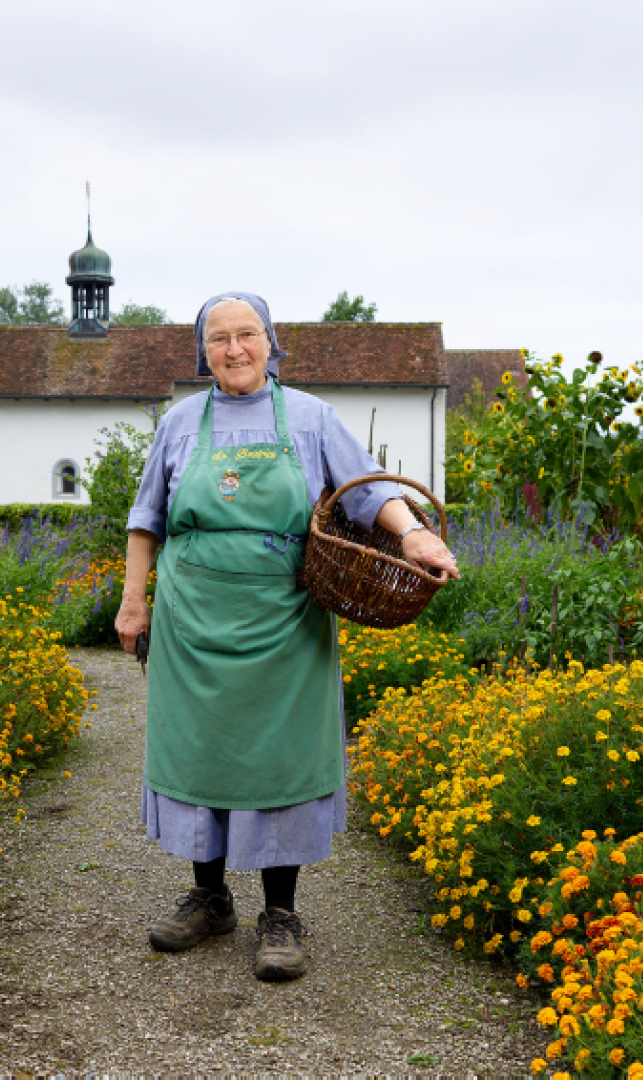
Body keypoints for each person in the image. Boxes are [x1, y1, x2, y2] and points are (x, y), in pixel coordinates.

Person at [115, 292, 459, 982]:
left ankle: (280, 913)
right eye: (219, 339)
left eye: (247, 335)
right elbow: (146, 516)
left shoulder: (309, 417)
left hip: (284, 617)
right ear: (202, 351)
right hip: (192, 615)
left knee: (278, 757)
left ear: (271, 343)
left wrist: (415, 532)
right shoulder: (180, 422)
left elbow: (365, 493)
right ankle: (209, 898)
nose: (234, 350)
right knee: (199, 751)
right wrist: (132, 604)